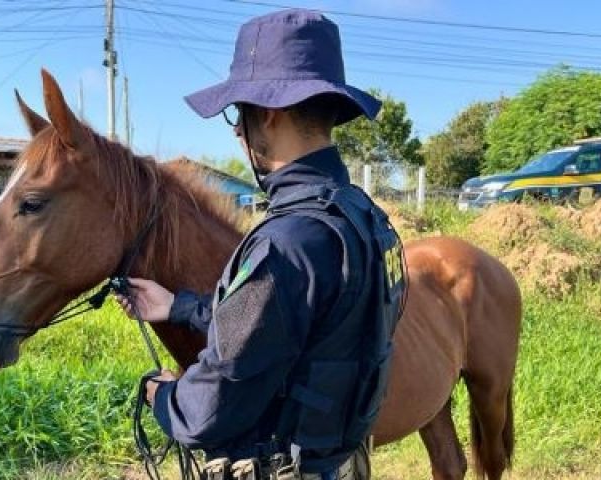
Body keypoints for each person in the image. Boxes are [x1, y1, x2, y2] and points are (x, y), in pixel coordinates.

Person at [118, 8, 406, 480]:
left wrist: (164, 395)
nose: (236, 131)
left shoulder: (284, 244)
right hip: (342, 461)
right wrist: (180, 308)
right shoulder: (363, 216)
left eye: (238, 114)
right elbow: (295, 325)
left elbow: (209, 409)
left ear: (268, 113)